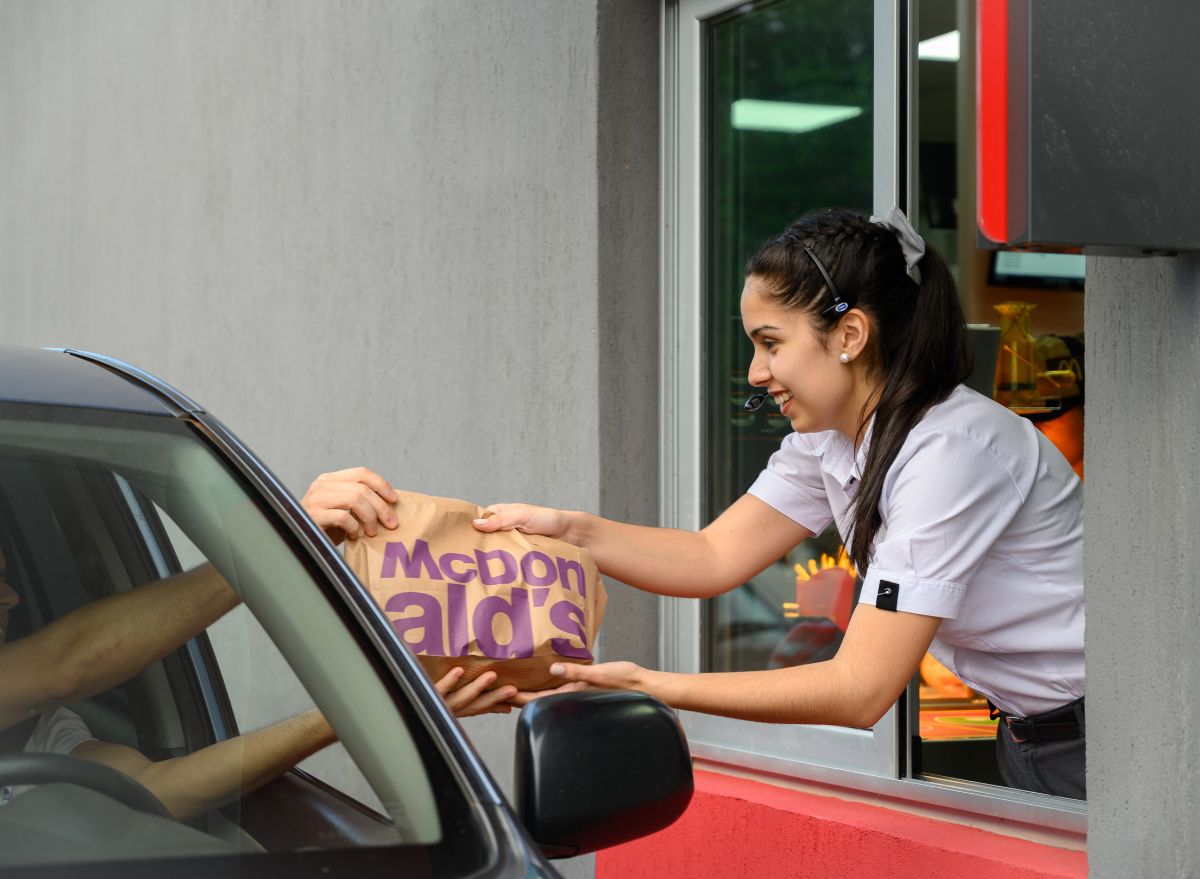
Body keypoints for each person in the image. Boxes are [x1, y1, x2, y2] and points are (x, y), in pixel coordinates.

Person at [330, 208, 1084, 798]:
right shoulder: (836, 439)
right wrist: (573, 531)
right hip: (1032, 736)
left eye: (771, 342)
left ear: (851, 334)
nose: (757, 372)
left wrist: (657, 688)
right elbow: (715, 554)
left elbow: (861, 689)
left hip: (1099, 735)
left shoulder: (951, 453)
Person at [0, 485, 516, 819]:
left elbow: (154, 790)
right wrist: (276, 547)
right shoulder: (40, 687)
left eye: (6, 577)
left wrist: (357, 710)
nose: (12, 597)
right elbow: (66, 665)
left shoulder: (40, 731)